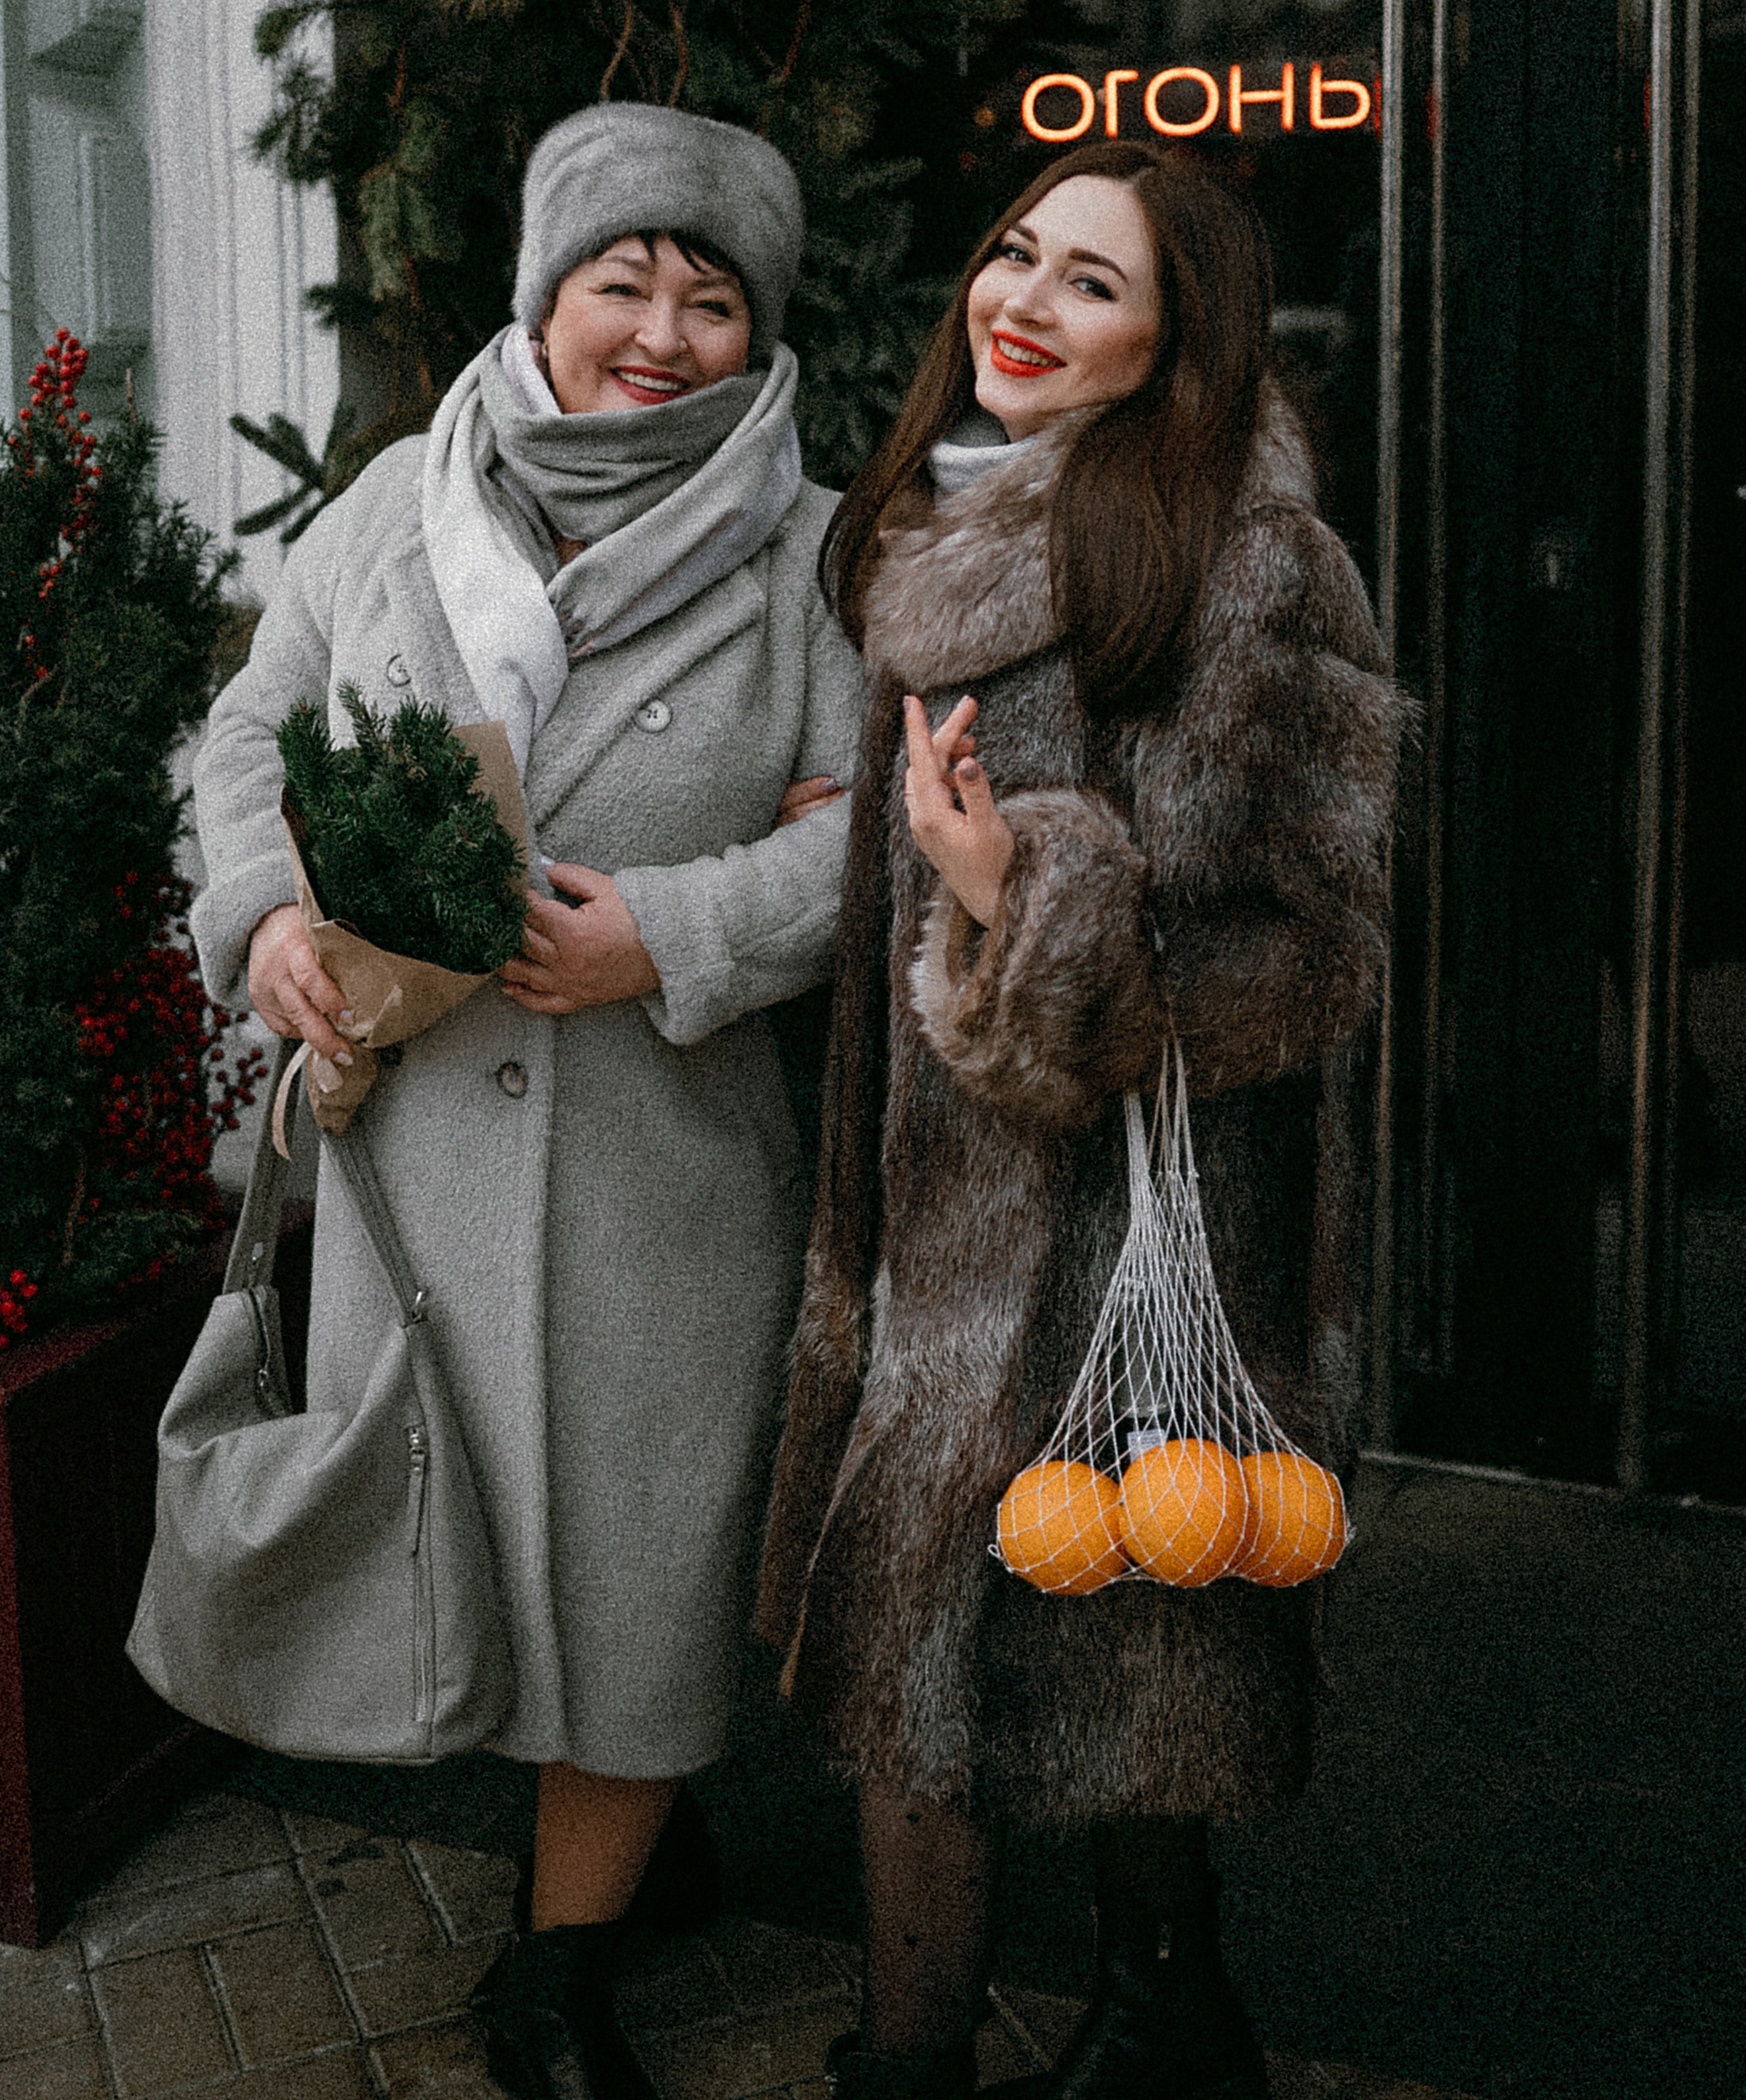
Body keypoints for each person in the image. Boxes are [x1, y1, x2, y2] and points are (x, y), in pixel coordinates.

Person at [192, 104, 863, 2100]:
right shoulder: (403, 498)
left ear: (761, 331)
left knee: (643, 1574)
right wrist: (266, 914)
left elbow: (857, 856)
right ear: (543, 294)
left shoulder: (815, 549)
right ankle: (634, 1851)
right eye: (620, 280)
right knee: (469, 1542)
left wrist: (662, 929)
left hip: (664, 1167)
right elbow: (252, 732)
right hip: (418, 1158)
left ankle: (550, 1981)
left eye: (710, 295)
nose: (658, 330)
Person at [754, 140, 1401, 2100]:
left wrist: (1006, 889)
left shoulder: (1245, 559)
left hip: (1134, 1218)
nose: (1019, 304)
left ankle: (1138, 2011)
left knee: (1124, 1618)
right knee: (930, 1637)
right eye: (1013, 253)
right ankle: (979, 2038)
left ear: (1174, 343)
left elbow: (1312, 952)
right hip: (926, 1197)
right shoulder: (924, 533)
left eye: (1091, 284)